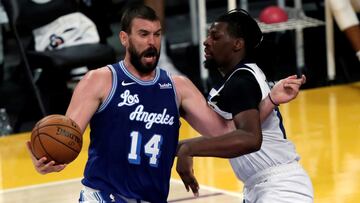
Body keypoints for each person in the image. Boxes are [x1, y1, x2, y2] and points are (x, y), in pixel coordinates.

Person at [25, 5, 305, 203]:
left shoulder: (178, 87)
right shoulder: (99, 81)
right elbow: (66, 134)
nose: (152, 42)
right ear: (125, 38)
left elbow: (226, 133)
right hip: (104, 195)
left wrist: (269, 100)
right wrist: (48, 160)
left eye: (157, 34)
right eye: (143, 34)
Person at [176, 9, 313, 203]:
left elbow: (249, 138)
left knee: (178, 84)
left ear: (237, 44)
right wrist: (180, 148)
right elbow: (226, 132)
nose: (206, 42)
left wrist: (188, 149)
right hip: (260, 187)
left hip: (280, 187)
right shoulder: (239, 77)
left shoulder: (242, 79)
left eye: (215, 36)